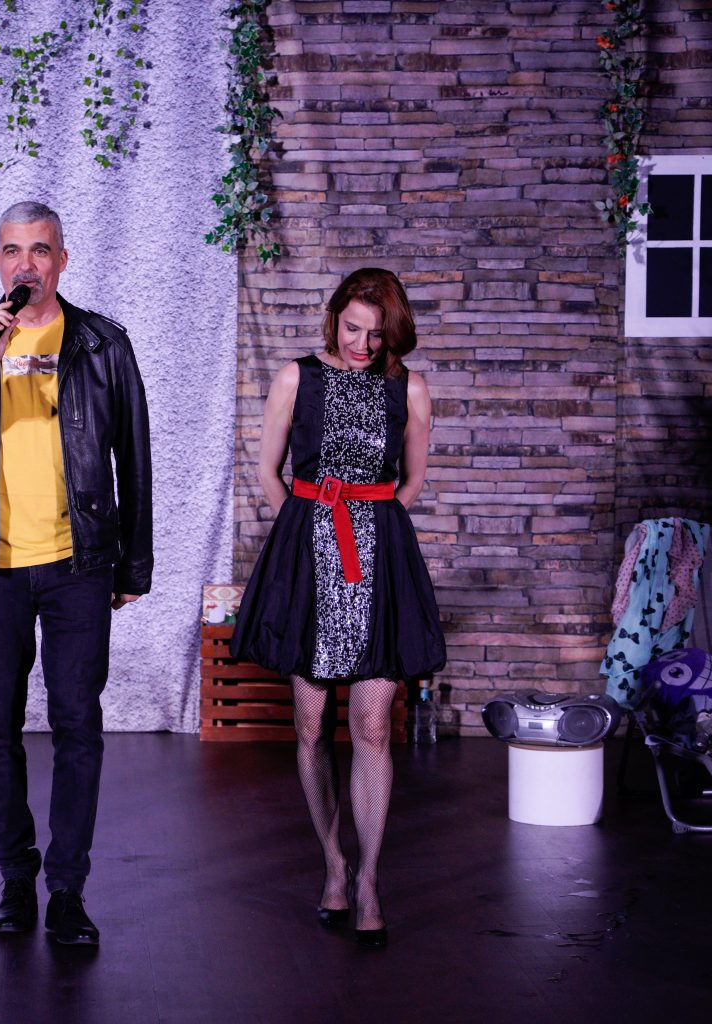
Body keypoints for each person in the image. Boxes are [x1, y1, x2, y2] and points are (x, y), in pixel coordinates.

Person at [0, 201, 152, 946]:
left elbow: (135, 458)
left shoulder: (102, 343)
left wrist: (134, 563)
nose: (26, 264)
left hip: (80, 563)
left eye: (40, 250)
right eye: (13, 250)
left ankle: (67, 889)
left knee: (78, 725)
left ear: (62, 261)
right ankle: (15, 877)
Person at [230, 267, 445, 949]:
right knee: (311, 725)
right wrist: (307, 531)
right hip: (310, 558)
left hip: (377, 563)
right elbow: (269, 471)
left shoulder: (410, 388)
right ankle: (333, 862)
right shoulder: (296, 378)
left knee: (373, 725)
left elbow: (412, 480)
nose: (361, 344)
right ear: (334, 319)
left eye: (375, 334)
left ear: (393, 334)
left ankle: (370, 879)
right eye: (352, 328)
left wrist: (372, 528)